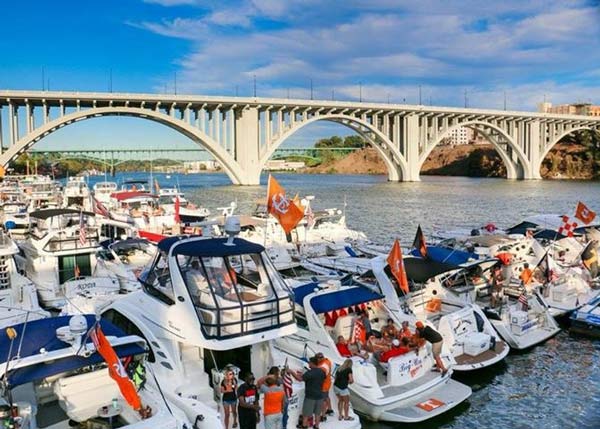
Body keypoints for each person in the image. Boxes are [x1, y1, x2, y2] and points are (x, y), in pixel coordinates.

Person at [293, 357, 325, 429]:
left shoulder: (310, 373)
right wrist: (303, 374)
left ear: (312, 363)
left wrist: (291, 372)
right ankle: (316, 426)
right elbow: (313, 377)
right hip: (320, 396)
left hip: (310, 397)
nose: (308, 364)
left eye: (309, 362)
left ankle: (304, 426)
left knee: (306, 414)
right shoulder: (322, 372)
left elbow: (300, 379)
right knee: (317, 413)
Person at [315, 353, 334, 421]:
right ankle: (330, 409)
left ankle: (323, 416)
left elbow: (322, 372)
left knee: (323, 401)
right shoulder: (327, 361)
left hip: (323, 385)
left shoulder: (323, 365)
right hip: (327, 383)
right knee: (326, 397)